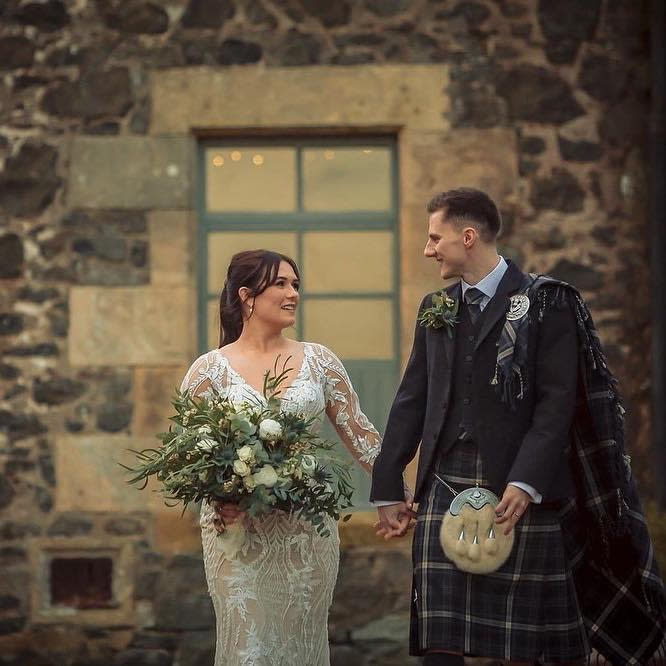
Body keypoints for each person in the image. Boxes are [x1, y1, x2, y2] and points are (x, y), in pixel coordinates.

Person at [371, 188, 665, 665]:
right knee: (439, 640)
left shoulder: (546, 302)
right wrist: (387, 486)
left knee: (520, 646)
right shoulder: (436, 308)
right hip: (446, 483)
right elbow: (412, 399)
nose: (428, 250)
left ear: (467, 237)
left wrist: (525, 481)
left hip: (519, 490)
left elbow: (556, 406)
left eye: (434, 238)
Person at [179, 249, 395, 666]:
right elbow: (191, 456)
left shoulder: (320, 361)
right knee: (248, 650)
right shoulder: (208, 371)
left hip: (305, 533)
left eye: (295, 284)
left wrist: (398, 494)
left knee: (301, 648)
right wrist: (222, 494)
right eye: (280, 283)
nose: (292, 292)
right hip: (236, 533)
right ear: (247, 296)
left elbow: (363, 436)